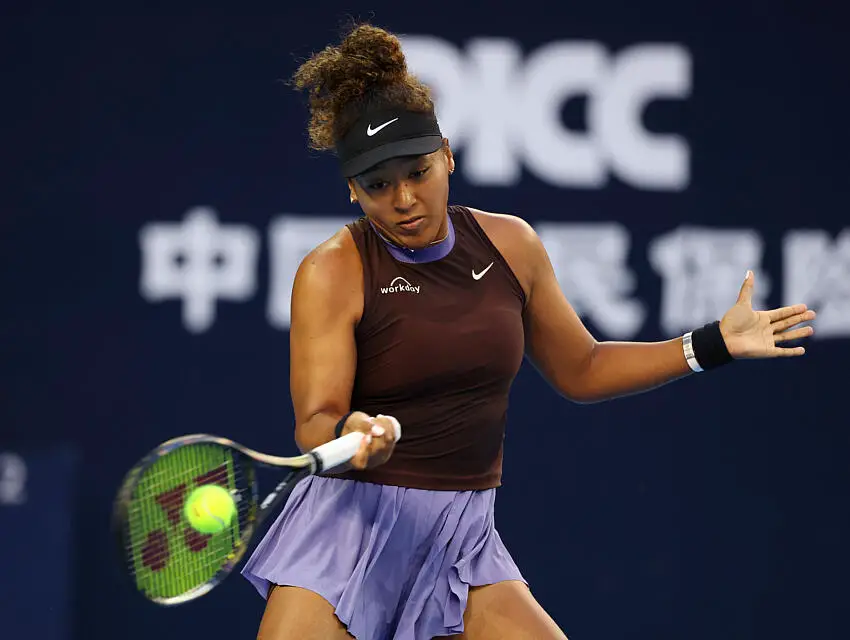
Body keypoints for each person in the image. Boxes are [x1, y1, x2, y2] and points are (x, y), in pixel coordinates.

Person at [240, 22, 816, 640]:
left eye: (419, 171)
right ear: (354, 191)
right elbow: (315, 419)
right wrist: (350, 434)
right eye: (379, 185)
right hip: (346, 531)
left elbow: (583, 367)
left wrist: (712, 344)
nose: (404, 198)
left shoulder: (511, 246)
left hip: (460, 539)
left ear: (447, 155)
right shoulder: (333, 270)